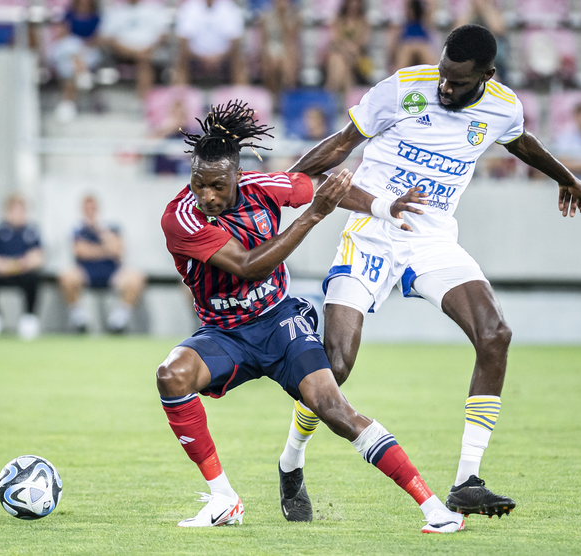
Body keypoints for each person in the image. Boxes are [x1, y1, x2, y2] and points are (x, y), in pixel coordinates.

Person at [275, 25, 581, 522]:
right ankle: (291, 461)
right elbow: (341, 145)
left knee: (495, 334)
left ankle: (467, 481)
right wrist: (287, 180)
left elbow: (521, 142)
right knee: (335, 365)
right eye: (443, 74)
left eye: (457, 82)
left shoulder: (503, 107)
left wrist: (565, 177)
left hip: (432, 239)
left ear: (487, 75)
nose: (444, 87)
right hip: (372, 229)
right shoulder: (403, 88)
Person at [157, 101, 464, 532]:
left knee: (334, 408)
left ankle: (434, 509)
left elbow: (322, 186)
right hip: (224, 333)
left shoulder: (264, 187)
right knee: (171, 375)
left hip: (278, 321)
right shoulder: (181, 219)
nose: (206, 196)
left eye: (217, 186)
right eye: (198, 184)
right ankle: (223, 498)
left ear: (238, 177)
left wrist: (383, 207)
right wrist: (314, 215)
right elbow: (249, 266)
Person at [58, 195, 146, 333]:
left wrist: (100, 232)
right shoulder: (78, 230)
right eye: (87, 208)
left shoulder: (110, 228)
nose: (90, 211)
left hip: (111, 273)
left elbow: (118, 250)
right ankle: (79, 319)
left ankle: (119, 321)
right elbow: (81, 252)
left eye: (92, 208)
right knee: (67, 277)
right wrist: (105, 250)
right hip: (87, 272)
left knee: (136, 278)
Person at [0, 194, 45, 341]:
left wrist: (21, 264)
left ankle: (29, 318)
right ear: (7, 211)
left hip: (22, 272)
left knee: (34, 279)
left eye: (22, 211)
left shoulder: (31, 230)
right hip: (0, 271)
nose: (18, 215)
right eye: (15, 210)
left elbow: (39, 256)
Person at [100, 0, 170, 98]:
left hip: (149, 50)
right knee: (143, 58)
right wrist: (135, 52)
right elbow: (107, 37)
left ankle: (143, 99)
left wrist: (148, 48)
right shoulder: (115, 10)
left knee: (143, 59)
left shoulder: (153, 8)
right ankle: (144, 100)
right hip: (122, 53)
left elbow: (163, 36)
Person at [49, 0, 103, 123]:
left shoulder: (96, 17)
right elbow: (62, 36)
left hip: (87, 52)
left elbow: (97, 39)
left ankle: (67, 103)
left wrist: (82, 46)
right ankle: (82, 72)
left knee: (69, 66)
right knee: (72, 45)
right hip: (68, 50)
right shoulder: (68, 15)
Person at [173, 0, 247, 85]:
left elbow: (235, 40)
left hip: (224, 55)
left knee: (237, 55)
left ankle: (240, 91)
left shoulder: (229, 7)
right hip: (195, 55)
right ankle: (180, 91)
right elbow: (184, 40)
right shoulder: (189, 7)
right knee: (181, 54)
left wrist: (218, 57)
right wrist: (202, 57)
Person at [324, 0, 371, 96]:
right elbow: (335, 41)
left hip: (358, 57)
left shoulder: (363, 21)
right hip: (342, 54)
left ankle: (330, 90)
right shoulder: (338, 20)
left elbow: (362, 44)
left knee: (338, 60)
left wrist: (349, 48)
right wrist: (346, 48)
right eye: (351, 2)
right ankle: (347, 97)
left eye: (356, 2)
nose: (354, 5)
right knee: (342, 64)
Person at [256, 0, 300, 96]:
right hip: (271, 49)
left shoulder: (292, 17)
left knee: (287, 61)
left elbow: (290, 40)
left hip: (286, 48)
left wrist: (282, 19)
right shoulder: (266, 16)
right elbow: (264, 41)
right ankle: (273, 94)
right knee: (271, 62)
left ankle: (287, 94)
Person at [387, 0, 438, 73]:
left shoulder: (425, 20)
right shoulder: (403, 23)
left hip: (422, 41)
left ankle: (437, 75)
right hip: (407, 42)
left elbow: (430, 14)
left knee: (421, 48)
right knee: (407, 50)